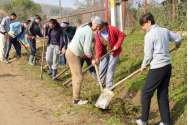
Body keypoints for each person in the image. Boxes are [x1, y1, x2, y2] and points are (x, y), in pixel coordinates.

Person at [131, 13, 182, 125]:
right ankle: (165, 122)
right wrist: (177, 45)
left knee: (146, 93)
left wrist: (144, 64)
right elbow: (179, 38)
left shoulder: (149, 35)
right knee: (163, 93)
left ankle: (143, 120)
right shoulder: (164, 30)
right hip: (167, 66)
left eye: (143, 25)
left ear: (149, 22)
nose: (143, 28)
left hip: (157, 68)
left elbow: (148, 55)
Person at [65, 16, 101, 105]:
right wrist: (92, 58)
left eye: (99, 27)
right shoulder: (89, 31)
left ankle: (75, 98)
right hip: (73, 54)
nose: (97, 29)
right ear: (94, 24)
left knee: (75, 76)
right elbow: (87, 49)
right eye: (97, 26)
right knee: (79, 77)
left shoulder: (84, 26)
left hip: (70, 51)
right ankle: (77, 100)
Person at [95, 17, 125, 89]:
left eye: (100, 28)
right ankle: (100, 81)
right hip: (105, 52)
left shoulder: (112, 29)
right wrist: (97, 58)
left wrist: (117, 45)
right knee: (102, 67)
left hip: (114, 52)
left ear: (103, 26)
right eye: (97, 29)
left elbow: (121, 35)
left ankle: (109, 86)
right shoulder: (98, 33)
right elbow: (98, 46)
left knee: (110, 68)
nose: (99, 30)